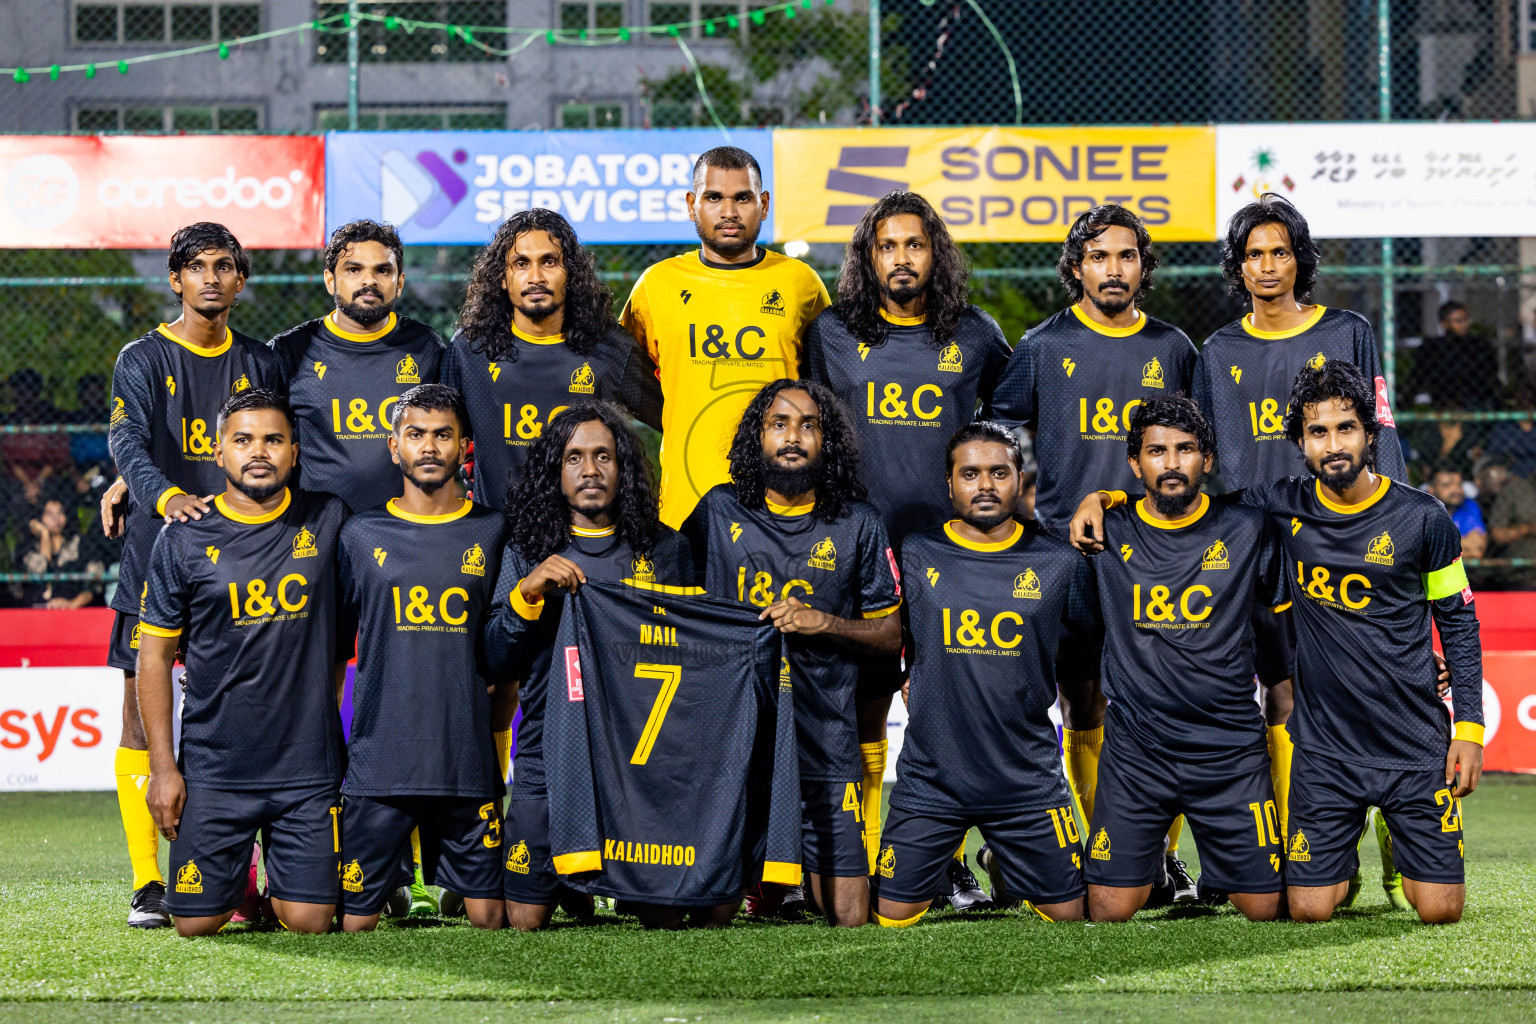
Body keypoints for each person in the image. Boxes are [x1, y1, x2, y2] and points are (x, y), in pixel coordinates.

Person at [1073, 360, 1484, 925]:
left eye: (1346, 428)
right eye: (1318, 432)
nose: (1334, 445)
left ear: (1370, 433)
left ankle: (1391, 839)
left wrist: (1469, 730)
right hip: (1325, 747)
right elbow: (1183, 498)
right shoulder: (1276, 506)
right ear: (1300, 442)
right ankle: (1342, 854)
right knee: (1306, 909)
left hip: (1412, 738)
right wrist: (1103, 498)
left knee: (1440, 912)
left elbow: (1460, 622)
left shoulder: (1423, 518)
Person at [1192, 193, 1410, 907]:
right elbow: (1208, 459)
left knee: (1373, 693)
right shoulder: (1217, 352)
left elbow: (1383, 429)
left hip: (1347, 547)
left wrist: (1397, 531)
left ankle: (1402, 850)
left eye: (1279, 251)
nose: (1266, 265)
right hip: (1258, 554)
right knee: (1282, 696)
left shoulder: (1349, 330)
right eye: (1253, 253)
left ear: (1300, 259)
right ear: (1238, 265)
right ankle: (1306, 857)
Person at [802, 190, 1011, 907]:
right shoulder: (831, 333)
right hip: (858, 554)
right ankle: (859, 856)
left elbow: (1018, 423)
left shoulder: (976, 335)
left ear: (935, 253)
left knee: (942, 710)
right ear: (867, 256)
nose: (901, 258)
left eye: (914, 245)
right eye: (886, 246)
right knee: (861, 710)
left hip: (948, 557)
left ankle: (945, 857)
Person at [991, 203, 1199, 901]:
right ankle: (1096, 843)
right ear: (1076, 266)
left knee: (1157, 706)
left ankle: (1159, 857)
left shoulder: (1174, 348)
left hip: (1155, 556)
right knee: (1082, 703)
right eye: (1099, 256)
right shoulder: (1043, 346)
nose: (1114, 269)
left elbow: (1200, 449)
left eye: (1127, 255)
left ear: (1144, 265)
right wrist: (1021, 508)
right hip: (1065, 555)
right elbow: (994, 433)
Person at [100, 222, 282, 930]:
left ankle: (247, 879)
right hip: (157, 555)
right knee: (140, 717)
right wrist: (159, 493)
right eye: (197, 267)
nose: (211, 277)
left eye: (225, 266)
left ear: (241, 280)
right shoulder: (143, 357)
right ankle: (148, 881)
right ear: (175, 278)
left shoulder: (263, 362)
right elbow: (125, 439)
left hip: (246, 565)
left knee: (251, 713)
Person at [681, 380, 903, 928]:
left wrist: (822, 622)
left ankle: (793, 883)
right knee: (709, 915)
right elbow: (670, 595)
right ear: (757, 436)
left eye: (809, 425)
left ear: (828, 442)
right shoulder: (717, 510)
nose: (793, 437)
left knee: (848, 918)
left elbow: (891, 634)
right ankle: (761, 882)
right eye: (779, 423)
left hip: (823, 735)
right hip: (735, 738)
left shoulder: (858, 523)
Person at [136, 389, 350, 936]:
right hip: (216, 770)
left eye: (274, 440)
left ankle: (276, 882)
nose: (259, 452)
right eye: (244, 440)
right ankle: (245, 878)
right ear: (218, 452)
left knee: (309, 922)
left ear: (295, 452)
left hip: (307, 771)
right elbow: (155, 658)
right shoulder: (182, 538)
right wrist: (164, 769)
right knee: (194, 924)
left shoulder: (329, 520)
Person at [483, 401, 697, 931]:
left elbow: (695, 653)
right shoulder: (527, 549)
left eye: (603, 456)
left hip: (640, 763)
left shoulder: (665, 549)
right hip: (546, 757)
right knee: (520, 920)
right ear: (554, 472)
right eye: (574, 457)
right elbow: (493, 657)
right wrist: (526, 595)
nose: (591, 470)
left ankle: (598, 884)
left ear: (623, 467)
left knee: (668, 921)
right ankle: (569, 886)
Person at [873, 422, 1095, 927]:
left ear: (1020, 478)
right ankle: (958, 861)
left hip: (1026, 779)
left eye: (999, 472)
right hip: (933, 778)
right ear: (950, 484)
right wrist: (904, 675)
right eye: (970, 474)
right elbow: (887, 631)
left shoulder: (1059, 561)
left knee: (1071, 915)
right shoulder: (916, 551)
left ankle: (1001, 860)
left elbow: (1088, 645)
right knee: (890, 916)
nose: (985, 485)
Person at [1074, 397, 1285, 922]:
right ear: (1135, 464)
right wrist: (1096, 499)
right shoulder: (1105, 532)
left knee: (1268, 909)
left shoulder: (1248, 526)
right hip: (1138, 754)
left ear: (1207, 460)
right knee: (1105, 911)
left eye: (1186, 449)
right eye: (1157, 451)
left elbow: (1300, 619)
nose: (1171, 464)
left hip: (1229, 751)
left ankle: (1208, 871)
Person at [335, 384, 509, 932]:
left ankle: (455, 888)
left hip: (466, 762)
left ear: (464, 447)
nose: (429, 447)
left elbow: (508, 646)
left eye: (442, 435)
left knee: (493, 920)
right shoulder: (359, 534)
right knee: (354, 927)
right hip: (379, 765)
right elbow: (334, 643)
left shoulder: (493, 530)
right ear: (394, 447)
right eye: (416, 435)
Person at [620, 146, 830, 529]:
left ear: (763, 204)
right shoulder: (657, 285)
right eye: (714, 197)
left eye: (743, 198)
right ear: (691, 204)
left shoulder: (801, 283)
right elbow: (624, 378)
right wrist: (675, 417)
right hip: (685, 506)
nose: (729, 212)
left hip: (783, 506)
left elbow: (825, 388)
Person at [442, 209, 662, 511]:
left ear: (569, 273)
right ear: (502, 279)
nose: (536, 277)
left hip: (583, 539)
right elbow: (442, 439)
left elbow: (674, 421)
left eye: (549, 261)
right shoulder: (470, 349)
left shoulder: (609, 349)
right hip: (499, 539)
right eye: (521, 263)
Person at [269, 219, 446, 514]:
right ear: (330, 280)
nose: (369, 281)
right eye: (354, 269)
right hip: (314, 529)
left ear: (399, 282)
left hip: (404, 527)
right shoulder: (290, 351)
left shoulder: (425, 346)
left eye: (382, 270)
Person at [1407, 301, 1500, 410]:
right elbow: (1419, 376)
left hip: (1476, 399)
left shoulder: (1478, 345)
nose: (1464, 325)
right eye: (1458, 321)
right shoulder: (1434, 348)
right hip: (1445, 401)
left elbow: (1490, 374)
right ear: (1444, 323)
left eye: (1466, 320)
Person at [17, 497, 103, 609]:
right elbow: (41, 574)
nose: (55, 518)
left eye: (60, 512)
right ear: (39, 517)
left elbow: (95, 586)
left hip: (75, 609)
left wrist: (72, 604)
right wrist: (45, 535)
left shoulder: (80, 544)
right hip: (37, 610)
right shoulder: (28, 548)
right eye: (49, 513)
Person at [1428, 464, 1488, 560]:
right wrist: (1462, 544)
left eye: (1459, 484)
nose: (1456, 490)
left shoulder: (1469, 506)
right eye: (1447, 485)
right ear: (1431, 489)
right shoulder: (1421, 510)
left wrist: (1441, 548)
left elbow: (1477, 550)